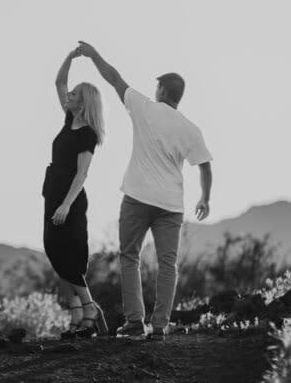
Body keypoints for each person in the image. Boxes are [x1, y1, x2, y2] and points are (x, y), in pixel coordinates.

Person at [76, 40, 213, 342]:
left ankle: (136, 323)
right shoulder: (191, 128)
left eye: (157, 88)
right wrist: (204, 198)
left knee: (129, 257)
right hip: (171, 205)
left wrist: (92, 53)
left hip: (138, 199)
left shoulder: (144, 107)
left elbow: (112, 77)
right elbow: (204, 165)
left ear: (163, 91)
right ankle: (160, 325)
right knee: (168, 264)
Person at [44, 47, 108, 338]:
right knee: (53, 250)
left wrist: (66, 205)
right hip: (53, 192)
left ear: (83, 103)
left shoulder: (87, 134)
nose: (67, 95)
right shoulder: (68, 120)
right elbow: (59, 83)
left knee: (66, 255)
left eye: (73, 95)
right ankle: (77, 315)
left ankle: (88, 307)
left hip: (69, 198)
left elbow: (82, 174)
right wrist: (70, 58)